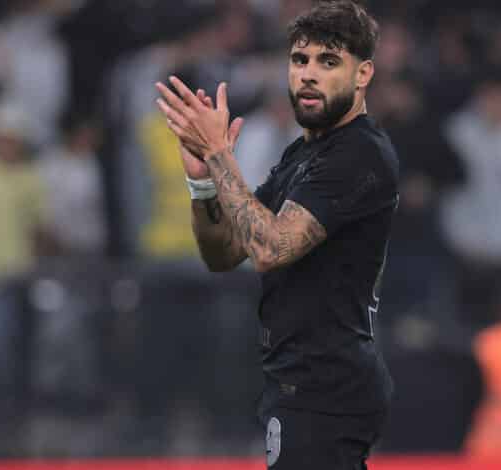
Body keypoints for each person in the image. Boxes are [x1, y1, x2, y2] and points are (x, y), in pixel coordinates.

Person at [154, 1, 398, 469]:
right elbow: (225, 252)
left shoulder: (358, 154)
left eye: (329, 62)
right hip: (302, 381)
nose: (308, 74)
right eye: (299, 59)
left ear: (363, 73)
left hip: (326, 386)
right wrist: (203, 180)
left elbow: (269, 249)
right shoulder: (302, 154)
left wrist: (220, 154)